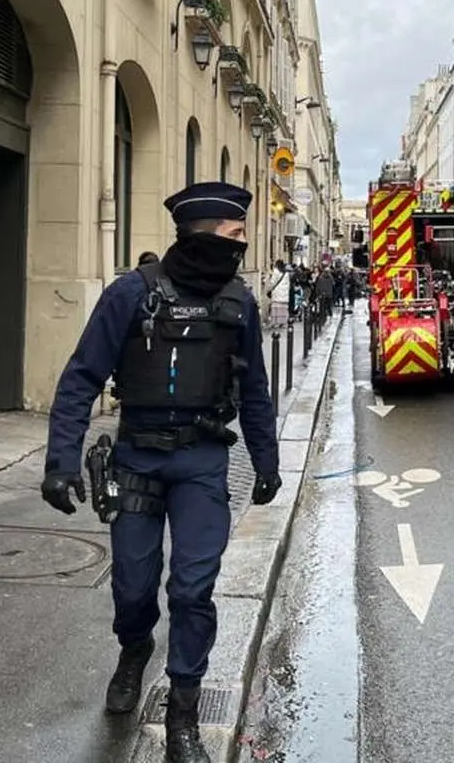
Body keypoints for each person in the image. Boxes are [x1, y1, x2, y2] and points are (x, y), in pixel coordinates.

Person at [40, 182, 284, 763]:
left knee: (193, 589)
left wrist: (267, 461)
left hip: (202, 461)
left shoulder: (239, 303)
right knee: (132, 586)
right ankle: (134, 648)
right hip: (137, 458)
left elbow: (254, 390)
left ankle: (183, 714)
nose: (242, 244)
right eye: (235, 234)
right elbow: (80, 378)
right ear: (202, 234)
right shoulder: (132, 294)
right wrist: (61, 462)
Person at [266, 259, 290, 328]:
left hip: (277, 293)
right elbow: (288, 284)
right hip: (284, 295)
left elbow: (273, 282)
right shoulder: (286, 273)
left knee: (276, 309)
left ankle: (275, 323)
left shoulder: (276, 271)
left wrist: (269, 289)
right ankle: (283, 322)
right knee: (283, 309)